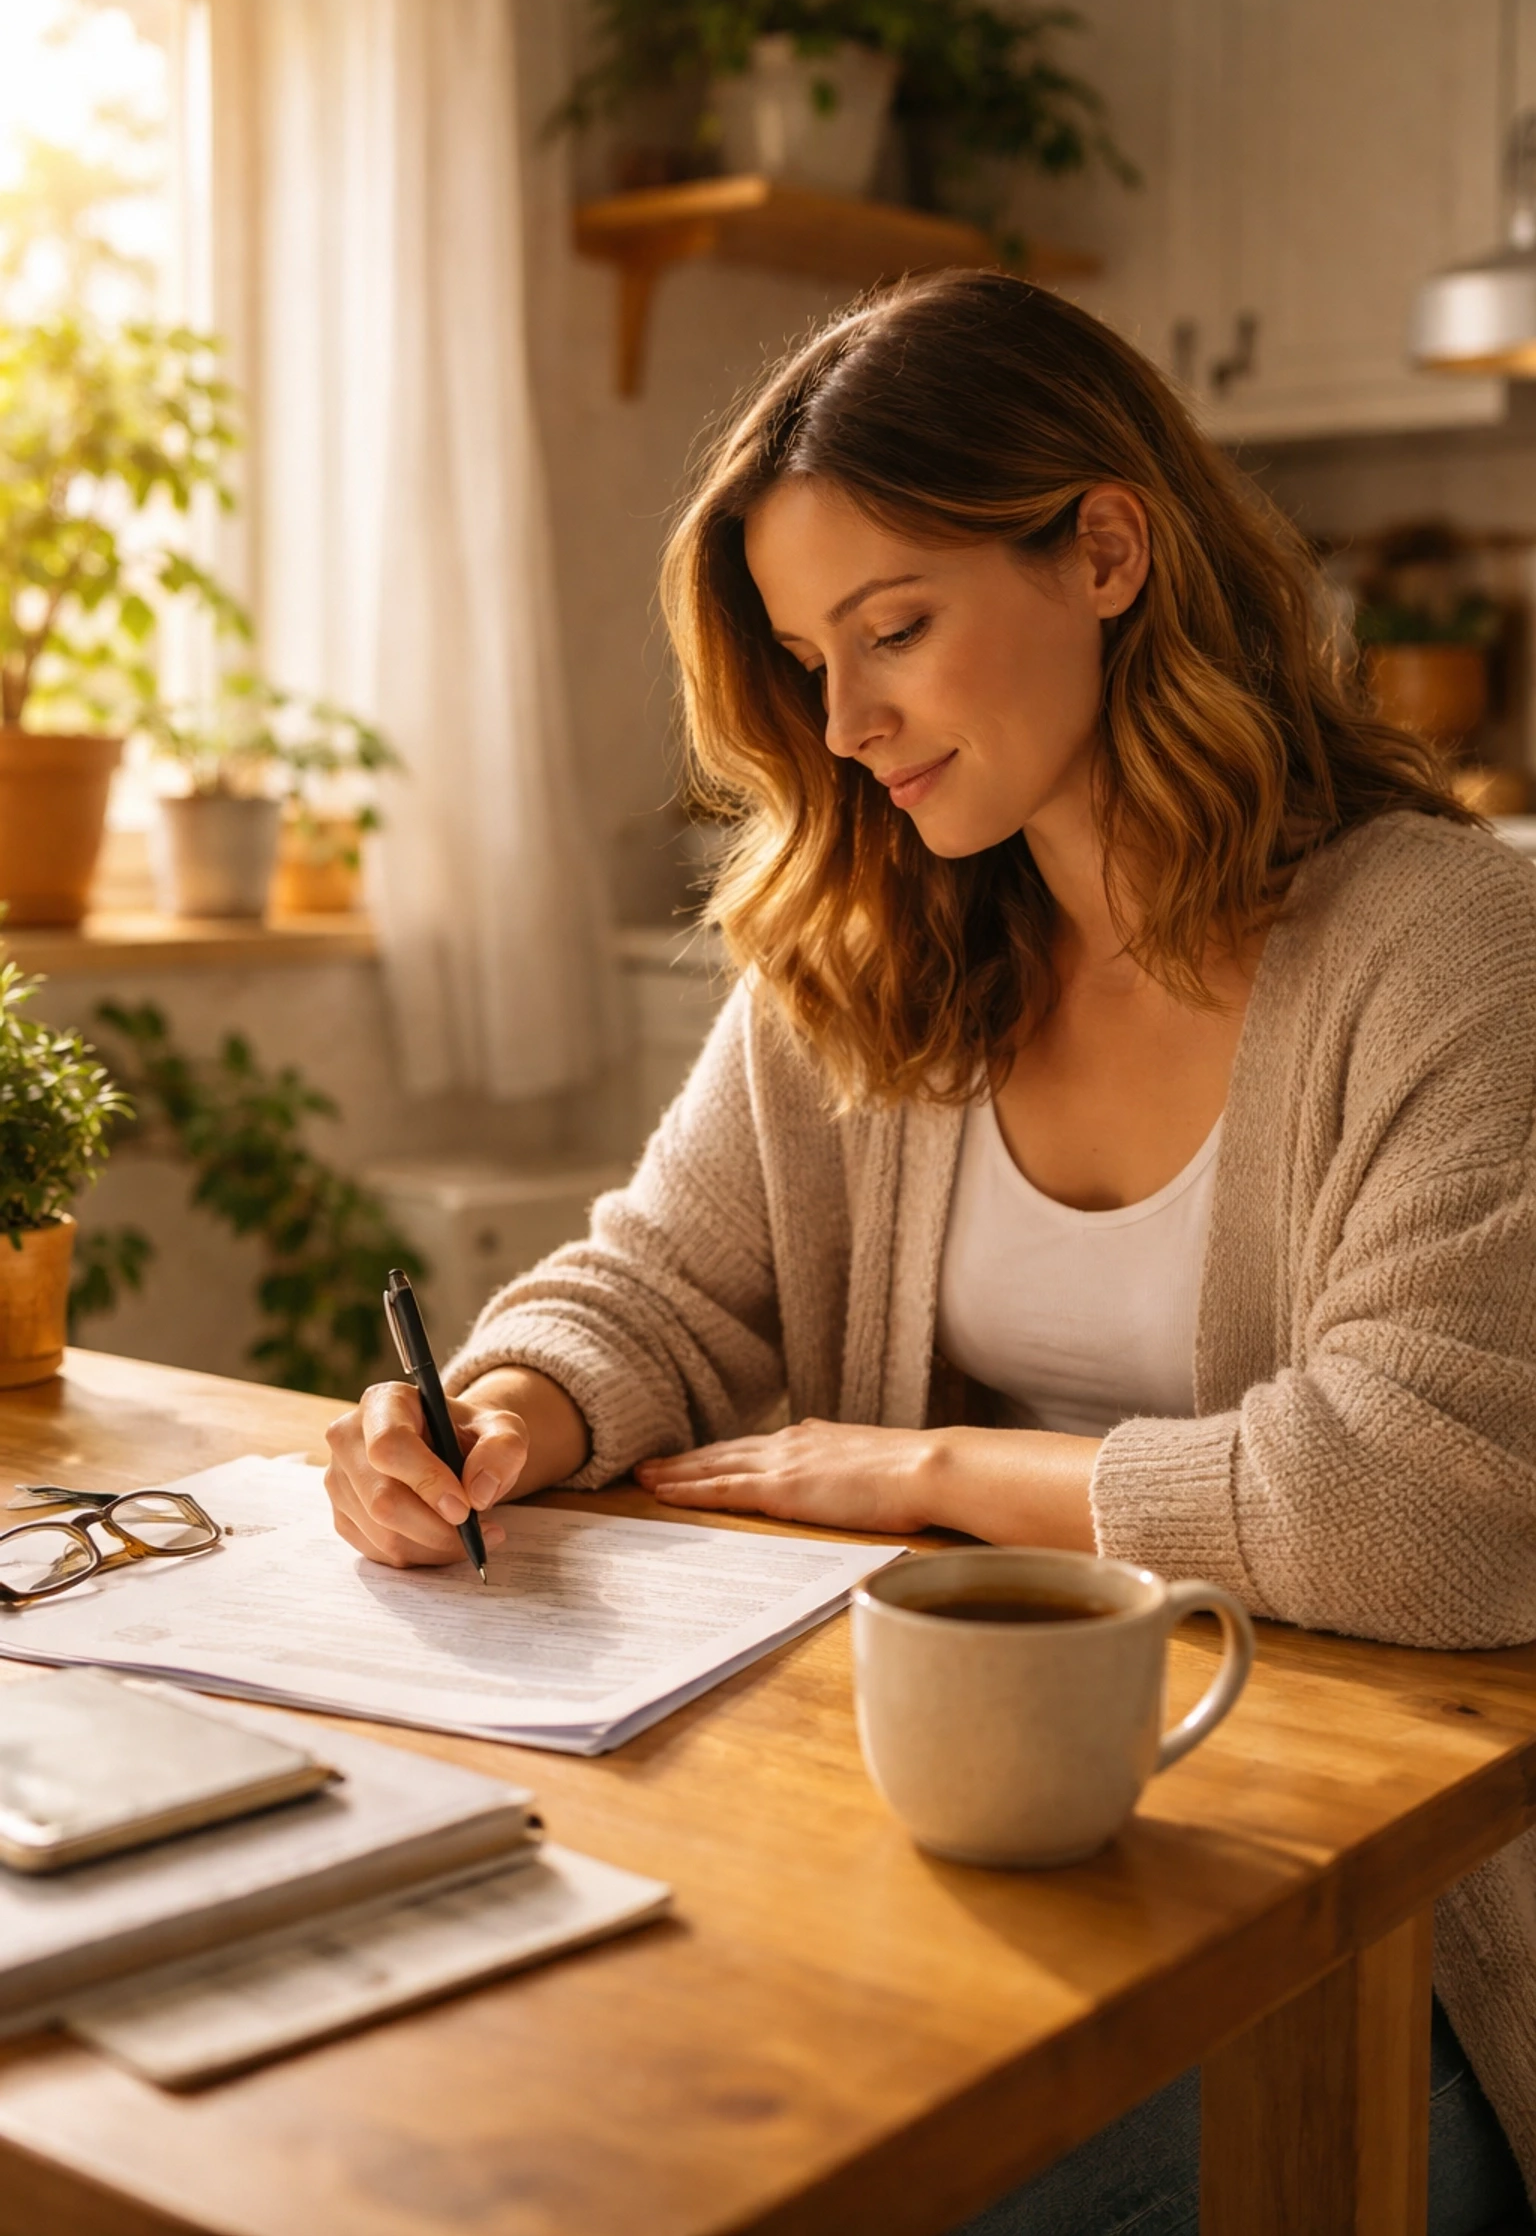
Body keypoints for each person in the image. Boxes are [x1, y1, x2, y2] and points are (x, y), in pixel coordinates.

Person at [324, 272, 1536, 2233]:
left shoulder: (1442, 948)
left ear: (1108, 549)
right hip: (964, 1851)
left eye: (894, 628)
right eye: (811, 656)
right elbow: (666, 1276)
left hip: (1388, 1931)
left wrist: (919, 1475)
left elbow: (1424, 1501)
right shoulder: (870, 939)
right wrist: (512, 1409)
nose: (847, 720)